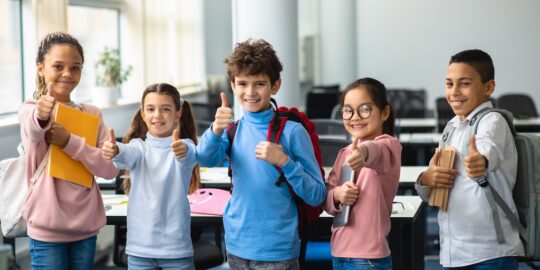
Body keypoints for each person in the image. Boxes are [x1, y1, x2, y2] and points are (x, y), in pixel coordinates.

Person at [196, 39, 326, 269]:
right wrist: (215, 130)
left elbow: (317, 195)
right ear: (233, 86)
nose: (250, 92)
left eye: (260, 84)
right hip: (236, 245)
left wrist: (285, 162)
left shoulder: (292, 132)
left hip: (278, 250)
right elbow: (204, 158)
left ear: (275, 85)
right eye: (243, 83)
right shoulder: (232, 129)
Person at [18, 32, 119, 270]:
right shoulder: (30, 109)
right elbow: (34, 130)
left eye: (75, 68)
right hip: (47, 230)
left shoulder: (92, 113)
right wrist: (42, 114)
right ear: (40, 68)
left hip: (85, 226)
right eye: (58, 66)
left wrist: (69, 142)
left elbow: (108, 170)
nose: (67, 74)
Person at [415, 49, 524, 269]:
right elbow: (429, 189)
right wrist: (427, 178)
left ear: (489, 87)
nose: (454, 92)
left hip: (491, 252)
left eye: (464, 83)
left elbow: (488, 148)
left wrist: (480, 162)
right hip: (453, 252)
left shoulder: (493, 121)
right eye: (449, 84)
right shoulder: (451, 127)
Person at [101, 83, 200, 270]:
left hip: (176, 249)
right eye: (151, 109)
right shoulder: (139, 146)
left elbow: (188, 154)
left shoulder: (185, 145)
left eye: (165, 109)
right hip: (140, 249)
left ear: (178, 113)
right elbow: (125, 153)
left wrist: (182, 150)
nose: (157, 115)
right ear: (142, 113)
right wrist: (115, 150)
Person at [323, 78, 401, 270]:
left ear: (384, 112)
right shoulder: (344, 153)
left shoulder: (389, 146)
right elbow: (326, 196)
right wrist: (337, 194)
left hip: (368, 259)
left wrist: (363, 153)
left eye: (365, 109)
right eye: (348, 110)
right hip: (339, 252)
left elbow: (375, 150)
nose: (355, 117)